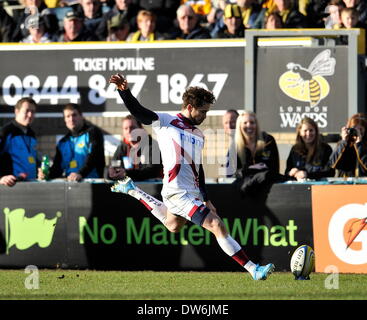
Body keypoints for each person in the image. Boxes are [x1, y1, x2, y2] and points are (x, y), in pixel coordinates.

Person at [108, 73, 275, 280]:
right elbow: (140, 113)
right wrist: (124, 91)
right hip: (177, 192)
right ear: (189, 107)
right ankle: (253, 269)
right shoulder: (167, 121)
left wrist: (206, 198)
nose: (205, 116)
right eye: (202, 111)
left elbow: (199, 168)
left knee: (172, 226)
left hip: (191, 193)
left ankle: (133, 190)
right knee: (217, 225)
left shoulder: (199, 134)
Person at [38, 103, 105, 181]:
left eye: (74, 115)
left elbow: (93, 157)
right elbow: (57, 168)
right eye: (68, 116)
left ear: (81, 116)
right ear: (65, 120)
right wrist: (46, 174)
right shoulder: (62, 142)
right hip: (70, 185)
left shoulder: (93, 132)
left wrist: (80, 174)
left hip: (92, 183)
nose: (71, 119)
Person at [233, 111, 282, 197]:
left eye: (252, 122)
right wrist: (250, 168)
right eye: (245, 123)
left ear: (257, 125)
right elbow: (231, 173)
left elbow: (274, 169)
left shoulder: (268, 140)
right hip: (244, 191)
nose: (249, 125)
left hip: (267, 189)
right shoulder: (235, 146)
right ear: (239, 126)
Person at [107, 115, 162, 181]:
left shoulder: (153, 145)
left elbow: (152, 172)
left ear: (141, 129)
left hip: (151, 188)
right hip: (129, 188)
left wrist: (126, 174)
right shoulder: (122, 147)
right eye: (126, 128)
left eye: (132, 128)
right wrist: (111, 172)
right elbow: (114, 164)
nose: (129, 131)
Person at [0, 97, 38, 186]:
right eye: (27, 111)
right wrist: (1, 178)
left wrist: (39, 171)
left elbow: (30, 160)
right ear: (17, 111)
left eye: (33, 112)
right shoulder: (6, 132)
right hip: (11, 185)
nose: (30, 115)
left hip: (30, 185)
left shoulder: (31, 134)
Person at [285, 117, 335, 181]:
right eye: (305, 131)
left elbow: (330, 172)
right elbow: (287, 172)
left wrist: (307, 175)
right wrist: (290, 172)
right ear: (300, 132)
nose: (308, 134)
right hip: (298, 188)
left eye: (311, 130)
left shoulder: (325, 149)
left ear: (316, 131)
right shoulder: (295, 150)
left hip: (320, 188)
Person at [329, 113, 367, 177]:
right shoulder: (344, 144)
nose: (358, 132)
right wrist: (344, 141)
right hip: (346, 183)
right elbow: (333, 164)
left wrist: (359, 145)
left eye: (360, 129)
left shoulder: (364, 146)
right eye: (355, 129)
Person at [221, 109, 239, 177]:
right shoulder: (232, 144)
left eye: (232, 122)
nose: (229, 125)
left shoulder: (245, 143)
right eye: (226, 123)